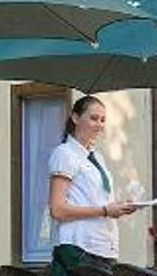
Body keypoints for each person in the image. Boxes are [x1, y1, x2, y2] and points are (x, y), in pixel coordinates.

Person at [45, 95, 141, 260]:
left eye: (103, 120)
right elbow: (57, 210)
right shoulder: (65, 154)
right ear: (75, 118)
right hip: (79, 246)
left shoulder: (97, 157)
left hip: (102, 246)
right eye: (94, 118)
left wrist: (120, 207)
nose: (99, 125)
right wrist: (104, 211)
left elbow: (94, 199)